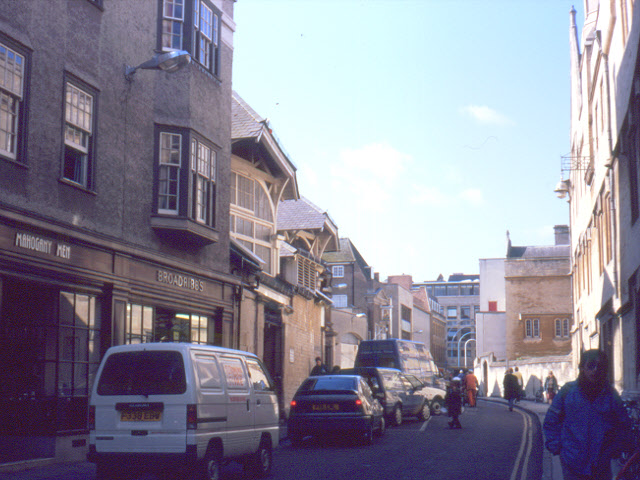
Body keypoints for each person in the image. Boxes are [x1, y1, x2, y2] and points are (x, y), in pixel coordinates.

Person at [543, 349, 631, 480]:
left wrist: (615, 449)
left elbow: (623, 424)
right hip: (572, 462)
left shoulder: (611, 395)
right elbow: (551, 420)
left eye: (599, 366)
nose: (595, 370)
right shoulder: (567, 392)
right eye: (591, 365)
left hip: (601, 463)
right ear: (582, 368)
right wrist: (557, 447)